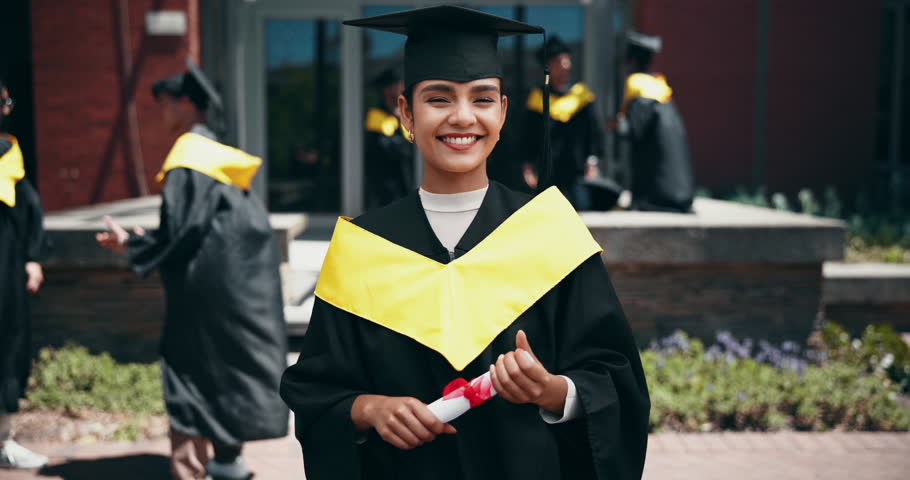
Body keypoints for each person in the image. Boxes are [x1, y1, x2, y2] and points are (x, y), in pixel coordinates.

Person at [280, 6, 650, 480]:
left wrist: (553, 391)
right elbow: (316, 391)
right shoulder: (363, 249)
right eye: (438, 99)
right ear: (406, 114)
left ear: (503, 112)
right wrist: (369, 409)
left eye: (482, 99)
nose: (462, 117)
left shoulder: (549, 233)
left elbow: (616, 381)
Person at [96, 60, 289, 480]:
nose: (160, 114)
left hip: (203, 294)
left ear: (185, 102)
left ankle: (190, 471)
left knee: (188, 374)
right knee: (226, 370)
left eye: (163, 104)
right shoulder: (217, 156)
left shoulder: (189, 156)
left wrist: (130, 242)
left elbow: (180, 232)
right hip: (239, 289)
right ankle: (228, 462)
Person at [0, 80, 49, 470]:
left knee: (9, 355)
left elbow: (31, 210)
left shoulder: (8, 156)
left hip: (6, 278)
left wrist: (33, 257)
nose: (5, 111)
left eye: (6, 103)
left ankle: (4, 441)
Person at [609, 31, 695, 213]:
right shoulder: (658, 84)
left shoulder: (637, 83)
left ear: (631, 61)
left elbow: (634, 130)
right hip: (679, 189)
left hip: (657, 193)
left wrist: (618, 125)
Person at [522, 35, 604, 210]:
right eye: (559, 62)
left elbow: (592, 133)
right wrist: (528, 167)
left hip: (576, 170)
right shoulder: (537, 99)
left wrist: (592, 162)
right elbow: (528, 136)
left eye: (567, 61)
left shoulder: (581, 97)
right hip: (548, 171)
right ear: (549, 67)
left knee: (581, 210)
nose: (566, 66)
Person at [364, 68, 415, 208]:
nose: (402, 89)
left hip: (407, 189)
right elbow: (388, 149)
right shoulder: (376, 117)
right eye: (398, 85)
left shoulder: (405, 116)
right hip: (385, 192)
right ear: (386, 91)